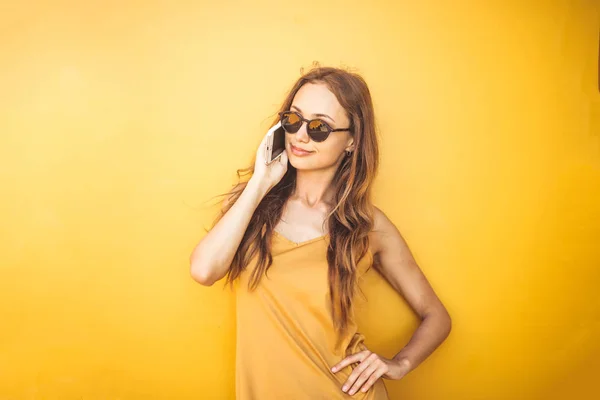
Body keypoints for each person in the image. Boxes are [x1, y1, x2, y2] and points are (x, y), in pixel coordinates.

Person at [190, 65, 452, 399]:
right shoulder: (251, 206)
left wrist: (399, 363)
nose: (300, 135)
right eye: (294, 120)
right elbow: (203, 270)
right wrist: (260, 183)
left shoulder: (368, 226)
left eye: (319, 127)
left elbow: (437, 317)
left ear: (352, 141)